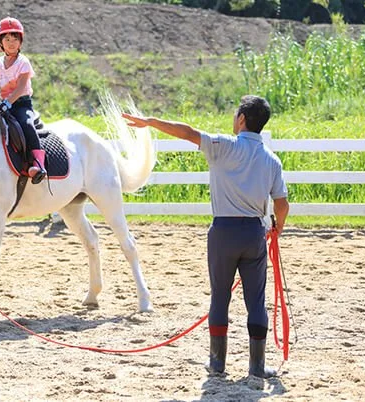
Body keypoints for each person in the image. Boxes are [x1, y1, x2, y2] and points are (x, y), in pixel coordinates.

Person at [122, 95, 289, 378]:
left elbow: (185, 131)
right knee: (256, 300)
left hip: (223, 232)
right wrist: (278, 227)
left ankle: (217, 364)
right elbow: (282, 204)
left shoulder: (223, 146)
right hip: (254, 234)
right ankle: (257, 367)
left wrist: (150, 122)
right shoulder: (272, 160)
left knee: (220, 297)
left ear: (241, 119)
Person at [0, 16, 46, 184]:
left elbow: (20, 88)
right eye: (7, 39)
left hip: (21, 103)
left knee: (26, 124)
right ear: (0, 42)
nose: (11, 43)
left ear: (20, 42)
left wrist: (7, 103)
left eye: (15, 39)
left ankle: (38, 163)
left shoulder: (23, 62)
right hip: (3, 106)